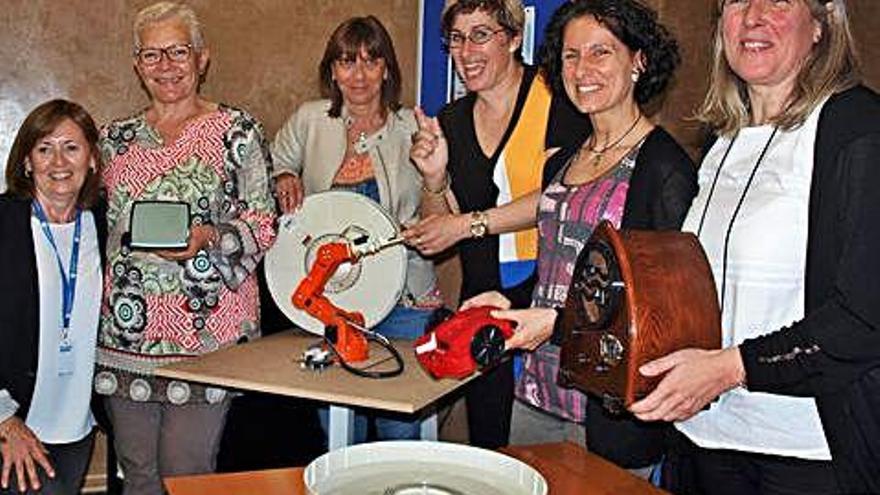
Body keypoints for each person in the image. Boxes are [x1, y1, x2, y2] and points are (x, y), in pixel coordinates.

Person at [434, 0, 696, 476]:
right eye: (571, 56)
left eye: (601, 53)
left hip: (612, 413)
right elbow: (555, 280)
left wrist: (555, 324)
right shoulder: (565, 161)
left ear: (638, 60)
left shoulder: (664, 167)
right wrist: (507, 303)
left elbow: (665, 318)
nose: (582, 69)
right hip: (538, 394)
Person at [629, 0, 880, 493]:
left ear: (821, 25)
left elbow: (864, 317)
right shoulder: (723, 140)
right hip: (702, 439)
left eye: (780, 0)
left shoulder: (859, 129)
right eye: (738, 1)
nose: (754, 16)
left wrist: (729, 369)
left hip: (805, 454)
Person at [94, 3, 276, 494]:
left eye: (178, 51)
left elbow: (263, 221)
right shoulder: (114, 140)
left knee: (187, 476)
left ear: (202, 58)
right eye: (151, 55)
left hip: (207, 336)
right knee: (137, 476)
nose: (166, 65)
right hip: (125, 337)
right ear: (137, 65)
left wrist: (211, 236)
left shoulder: (237, 131)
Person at [406, 0, 590, 449]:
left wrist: (469, 224)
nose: (466, 50)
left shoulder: (557, 98)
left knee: (549, 454)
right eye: (456, 37)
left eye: (481, 34)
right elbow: (440, 224)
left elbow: (560, 198)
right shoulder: (451, 118)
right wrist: (433, 178)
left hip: (545, 298)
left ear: (513, 38)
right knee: (490, 443)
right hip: (481, 298)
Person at [271, 15, 441, 443]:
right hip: (332, 302)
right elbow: (273, 164)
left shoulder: (412, 129)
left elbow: (441, 208)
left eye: (371, 60)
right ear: (332, 70)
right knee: (337, 429)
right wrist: (283, 178)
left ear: (387, 68)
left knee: (400, 427)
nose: (359, 74)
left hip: (405, 297)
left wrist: (434, 181)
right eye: (347, 61)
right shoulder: (310, 120)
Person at [0, 100, 105, 494]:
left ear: (92, 159)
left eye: (72, 147)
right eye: (44, 148)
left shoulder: (104, 222)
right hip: (14, 423)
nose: (58, 161)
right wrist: (4, 419)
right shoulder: (5, 222)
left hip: (77, 424)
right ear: (27, 160)